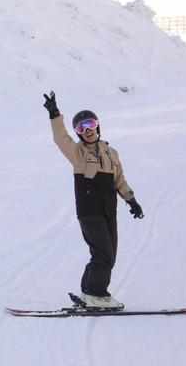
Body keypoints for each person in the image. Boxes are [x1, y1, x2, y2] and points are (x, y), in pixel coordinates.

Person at [42, 91, 144, 309]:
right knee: (103, 253)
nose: (88, 131)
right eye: (82, 128)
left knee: (109, 256)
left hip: (109, 211)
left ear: (98, 126)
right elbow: (61, 139)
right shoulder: (78, 154)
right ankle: (97, 294)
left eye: (90, 124)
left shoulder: (111, 153)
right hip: (90, 211)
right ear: (78, 133)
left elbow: (119, 180)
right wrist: (55, 115)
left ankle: (89, 291)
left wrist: (132, 201)